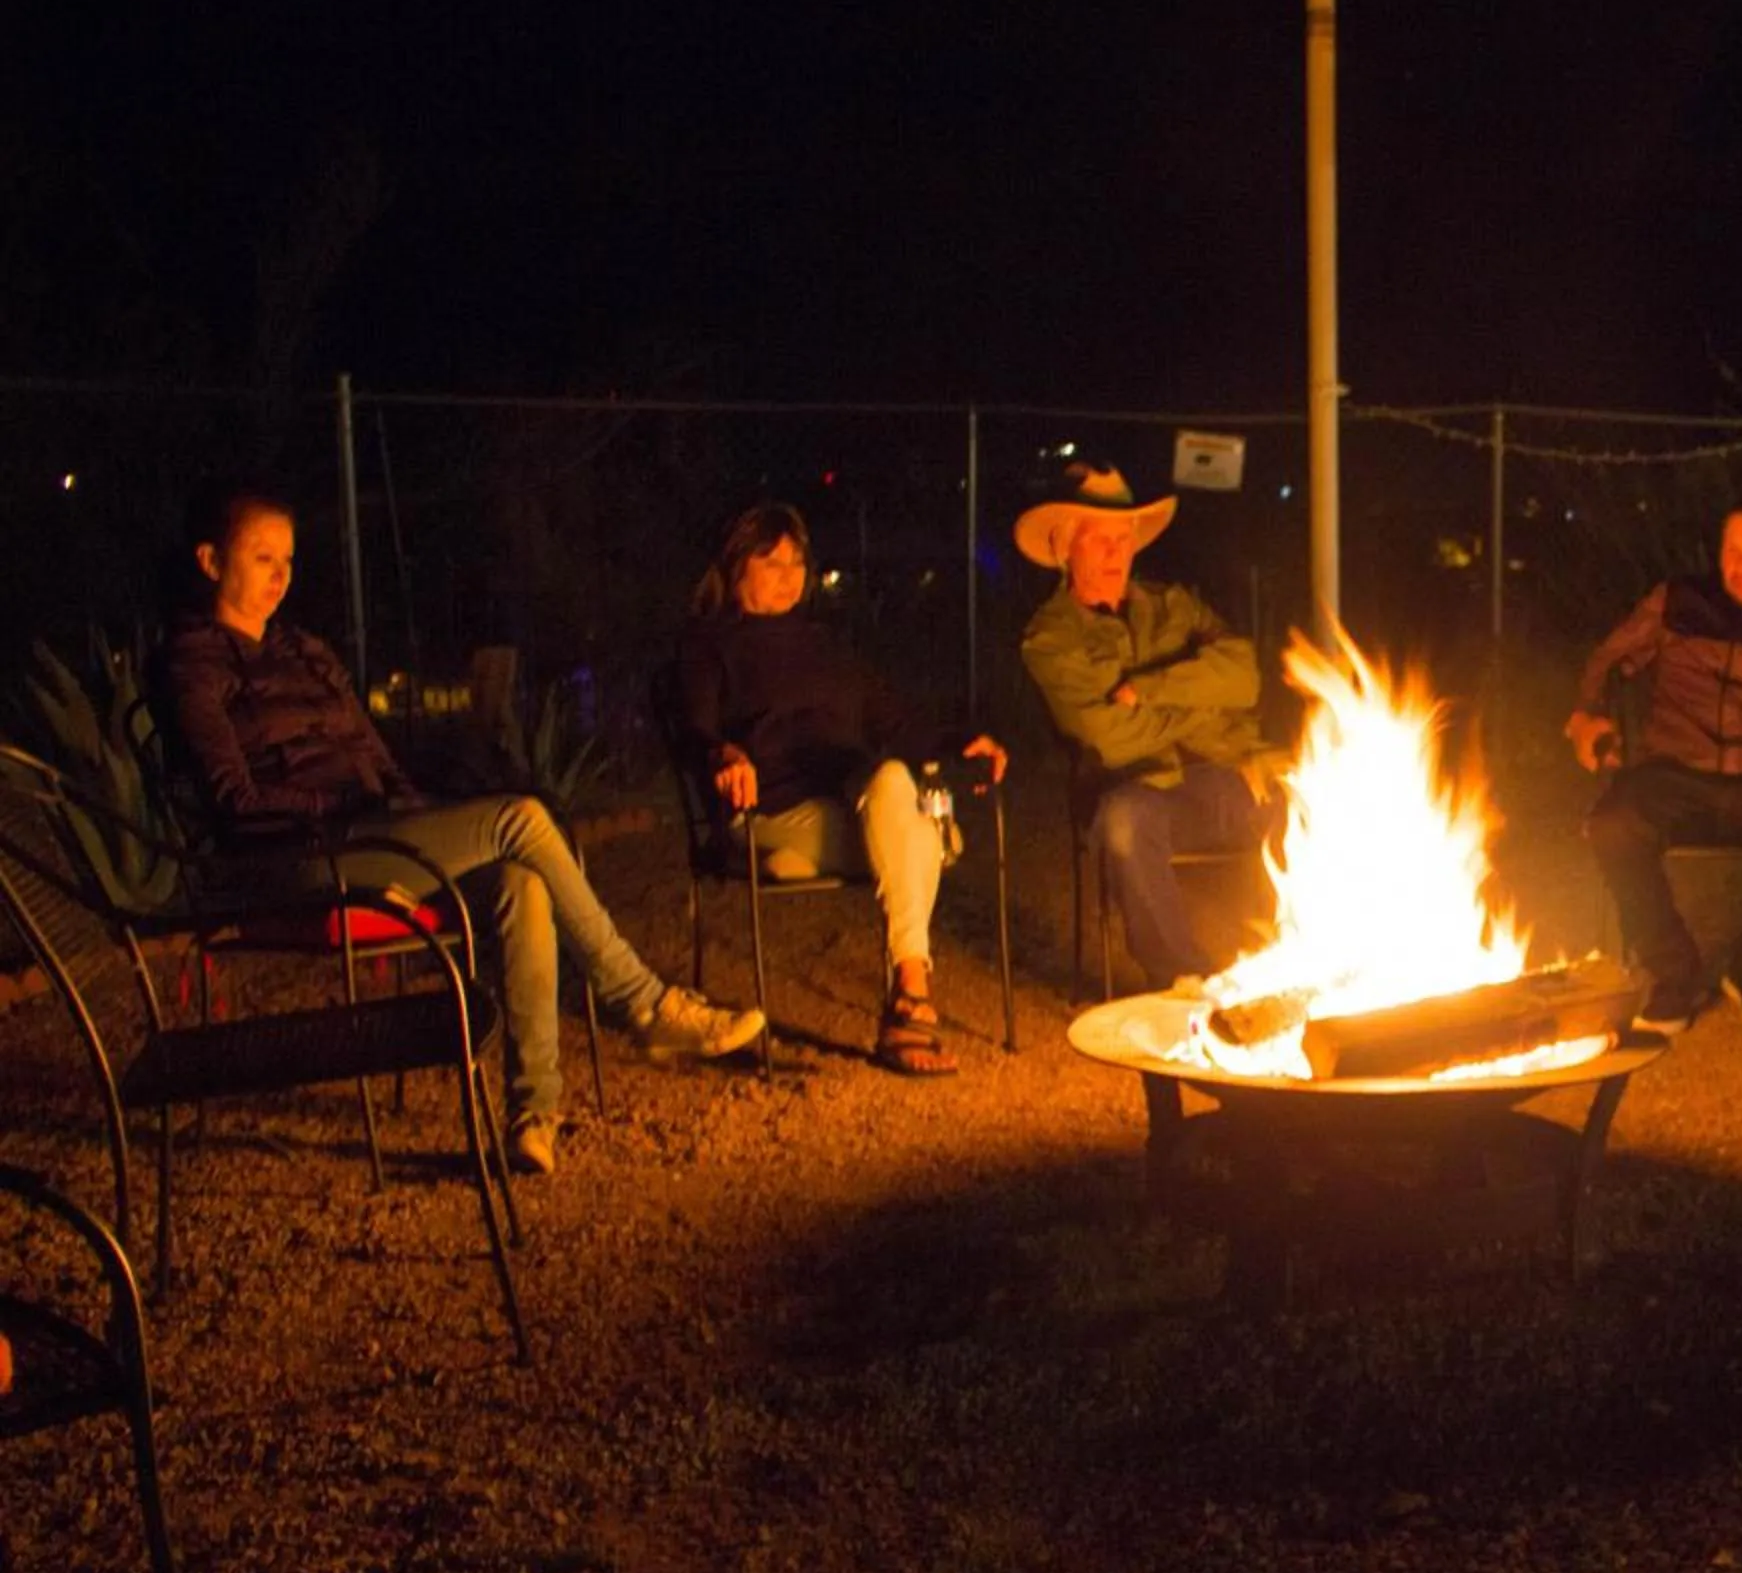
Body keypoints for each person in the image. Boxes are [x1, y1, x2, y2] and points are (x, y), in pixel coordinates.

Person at [154, 487, 767, 1177]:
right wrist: (346, 811)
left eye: (288, 559)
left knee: (518, 880)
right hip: (289, 859)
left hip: (365, 834)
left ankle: (533, 1116)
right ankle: (643, 1003)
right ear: (211, 561)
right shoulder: (192, 664)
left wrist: (406, 811)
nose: (280, 574)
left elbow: (372, 755)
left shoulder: (307, 651)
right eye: (261, 557)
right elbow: (236, 800)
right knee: (521, 818)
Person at [674, 503, 1007, 1076]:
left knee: (894, 780)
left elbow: (895, 721)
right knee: (922, 838)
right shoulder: (710, 645)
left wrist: (961, 740)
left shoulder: (826, 644)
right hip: (769, 808)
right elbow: (693, 726)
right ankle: (911, 996)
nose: (788, 573)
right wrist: (723, 753)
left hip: (854, 802)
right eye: (771, 560)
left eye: (796, 561)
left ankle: (909, 991)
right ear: (735, 568)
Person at [1569, 500, 1742, 1035]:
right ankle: (1672, 972)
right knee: (1612, 823)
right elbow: (1608, 659)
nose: (1740, 565)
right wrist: (1589, 714)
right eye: (1732, 549)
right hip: (1675, 773)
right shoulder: (1679, 600)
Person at [1017, 462, 1275, 990]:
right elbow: (1110, 737)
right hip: (1144, 792)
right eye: (1100, 541)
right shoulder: (1050, 638)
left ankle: (1336, 972)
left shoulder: (1171, 604)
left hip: (1238, 773)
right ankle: (1184, 979)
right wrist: (1203, 699)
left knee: (1331, 790)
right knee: (1125, 821)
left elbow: (1245, 676)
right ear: (1065, 546)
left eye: (1124, 539)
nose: (1118, 554)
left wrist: (1149, 690)